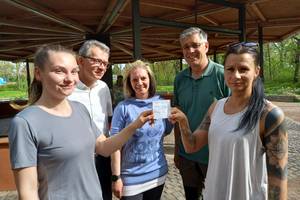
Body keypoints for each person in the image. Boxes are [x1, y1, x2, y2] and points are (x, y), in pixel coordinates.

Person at [8, 45, 153, 200]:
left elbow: (103, 148)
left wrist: (135, 125)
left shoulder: (80, 109)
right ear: (38, 73)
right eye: (59, 71)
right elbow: (28, 192)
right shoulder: (25, 123)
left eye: (74, 71)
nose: (70, 78)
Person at [169, 42, 288, 199]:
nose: (236, 75)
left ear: (257, 71)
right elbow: (192, 146)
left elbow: (278, 181)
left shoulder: (269, 115)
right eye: (230, 69)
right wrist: (183, 122)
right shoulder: (215, 108)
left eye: (243, 69)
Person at [173, 27, 230, 199]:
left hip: (215, 156)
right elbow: (177, 116)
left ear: (206, 46)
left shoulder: (223, 75)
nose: (190, 51)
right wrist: (177, 150)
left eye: (195, 45)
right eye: (185, 47)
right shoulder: (179, 79)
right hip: (187, 157)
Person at [110, 60, 173, 200]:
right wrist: (116, 177)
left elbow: (166, 131)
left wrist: (171, 119)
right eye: (135, 79)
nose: (139, 83)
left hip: (157, 173)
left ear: (150, 79)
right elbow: (115, 145)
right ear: (129, 83)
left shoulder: (160, 103)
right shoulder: (123, 107)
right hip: (131, 178)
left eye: (143, 78)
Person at [68, 40, 113, 200]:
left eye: (105, 63)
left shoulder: (104, 88)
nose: (101, 67)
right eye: (96, 60)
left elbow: (109, 121)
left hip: (103, 158)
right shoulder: (67, 90)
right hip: (77, 160)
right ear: (80, 60)